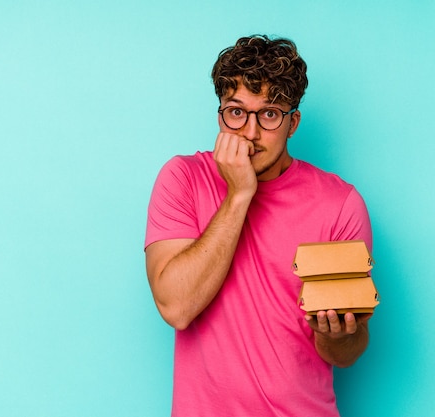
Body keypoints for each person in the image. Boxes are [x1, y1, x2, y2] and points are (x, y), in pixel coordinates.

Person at [144, 34, 373, 416]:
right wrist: (238, 195)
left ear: (293, 122)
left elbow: (346, 352)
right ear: (220, 114)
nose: (249, 133)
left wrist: (337, 335)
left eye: (269, 114)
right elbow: (176, 307)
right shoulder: (182, 179)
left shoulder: (339, 204)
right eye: (236, 112)